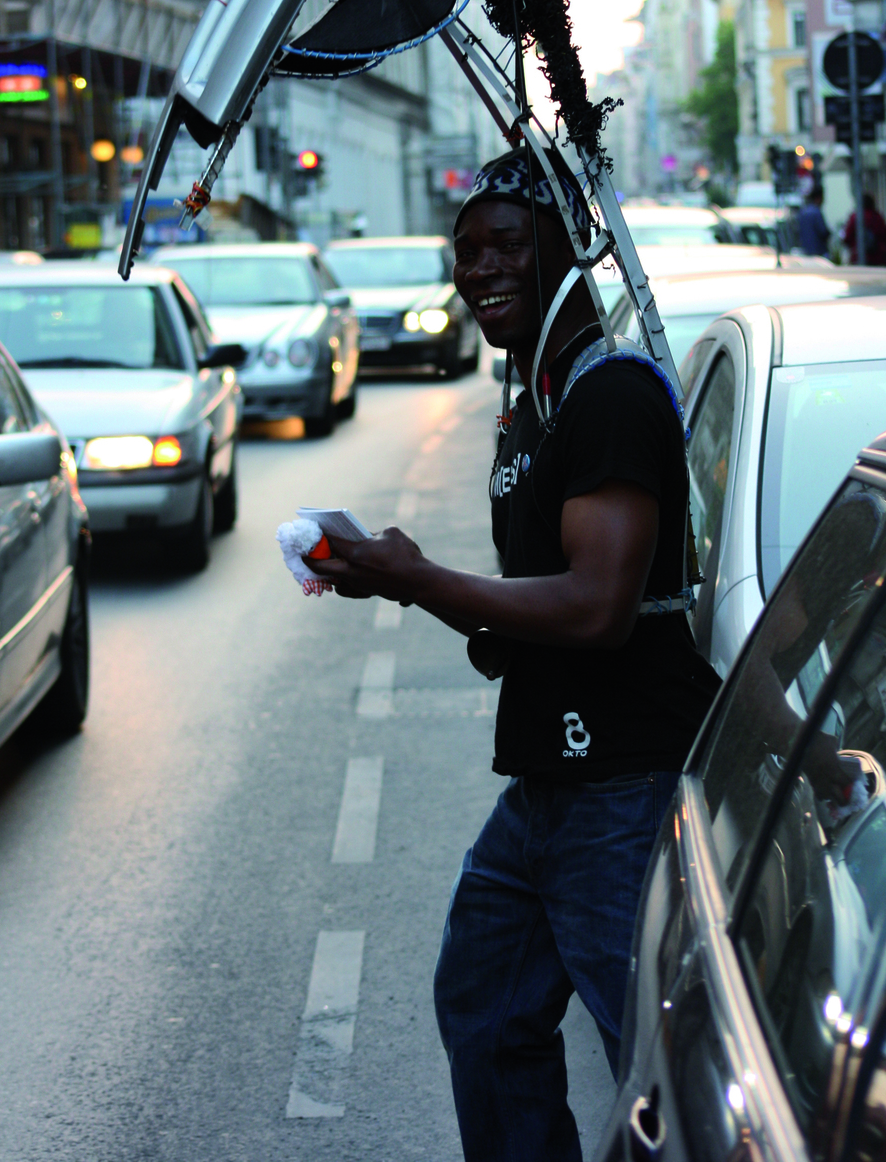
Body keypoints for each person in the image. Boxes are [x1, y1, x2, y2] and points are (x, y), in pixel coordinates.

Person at [306, 150, 721, 1162]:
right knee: (486, 1011)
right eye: (467, 251)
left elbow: (593, 612)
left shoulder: (610, 394)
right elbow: (518, 626)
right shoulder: (527, 396)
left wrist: (414, 578)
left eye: (506, 245)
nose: (480, 267)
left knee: (661, 1065)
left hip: (622, 786)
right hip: (546, 783)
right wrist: (391, 580)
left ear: (563, 250)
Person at [843, 192, 886, 265]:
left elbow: (847, 237)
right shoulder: (877, 217)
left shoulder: (855, 217)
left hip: (858, 257)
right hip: (877, 258)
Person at [797, 183, 830, 258]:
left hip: (805, 252)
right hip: (819, 252)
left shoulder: (803, 212)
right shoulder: (816, 212)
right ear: (818, 198)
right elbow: (823, 231)